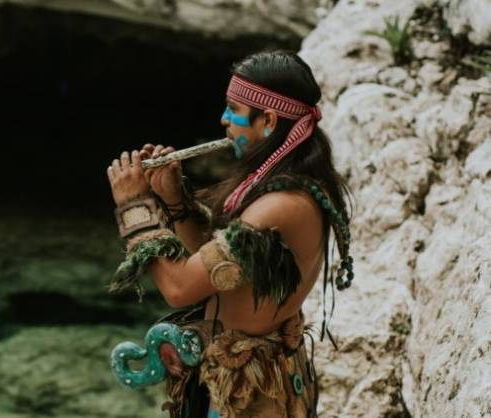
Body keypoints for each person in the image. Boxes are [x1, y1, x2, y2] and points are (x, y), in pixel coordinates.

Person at [106, 51, 353, 418]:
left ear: (268, 120)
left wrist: (135, 205)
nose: (224, 119)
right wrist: (174, 201)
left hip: (250, 397)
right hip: (240, 381)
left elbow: (179, 288)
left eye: (233, 109)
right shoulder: (282, 187)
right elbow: (217, 267)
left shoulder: (280, 205)